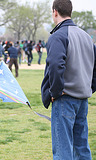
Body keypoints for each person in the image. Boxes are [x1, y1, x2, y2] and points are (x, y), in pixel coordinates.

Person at [41, 0, 96, 159]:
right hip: (82, 99)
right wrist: (89, 87)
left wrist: (55, 92)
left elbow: (56, 66)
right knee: (81, 149)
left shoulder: (58, 36)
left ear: (55, 12)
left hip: (65, 99)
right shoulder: (87, 37)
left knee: (63, 151)